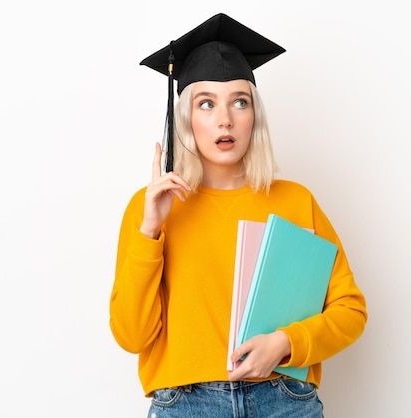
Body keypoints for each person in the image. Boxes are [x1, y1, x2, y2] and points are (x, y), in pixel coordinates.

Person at [109, 13, 367, 418]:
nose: (224, 118)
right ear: (186, 119)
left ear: (254, 117)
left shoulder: (294, 201)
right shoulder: (152, 207)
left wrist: (285, 342)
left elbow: (349, 310)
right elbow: (131, 335)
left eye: (239, 102)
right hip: (186, 405)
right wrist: (150, 229)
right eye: (206, 103)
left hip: (284, 400)